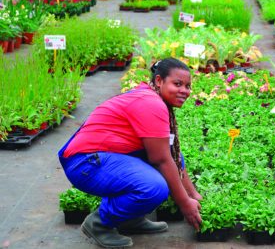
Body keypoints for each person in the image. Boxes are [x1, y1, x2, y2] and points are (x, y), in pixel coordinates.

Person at [58, 58, 202, 248]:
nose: (184, 91)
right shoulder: (151, 103)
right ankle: (99, 223)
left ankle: (128, 219)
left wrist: (194, 196)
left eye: (188, 86)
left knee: (173, 158)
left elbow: (173, 157)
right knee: (154, 186)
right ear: (159, 81)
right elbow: (160, 160)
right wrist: (185, 203)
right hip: (85, 162)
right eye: (177, 84)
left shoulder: (153, 97)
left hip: (100, 156)